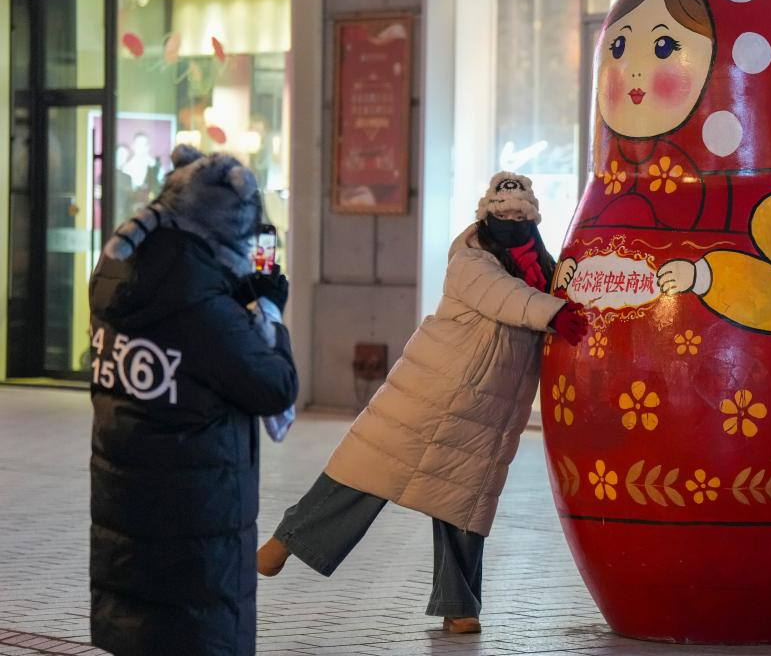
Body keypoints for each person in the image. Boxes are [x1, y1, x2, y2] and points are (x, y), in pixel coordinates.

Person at [256, 171, 588, 633]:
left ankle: (460, 604)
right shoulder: (470, 258)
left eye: (521, 216)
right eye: (505, 215)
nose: (513, 222)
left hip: (488, 408)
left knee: (465, 501)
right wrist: (553, 313)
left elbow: (544, 294)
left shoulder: (540, 263)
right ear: (487, 214)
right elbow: (504, 296)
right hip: (438, 386)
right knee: (366, 468)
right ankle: (284, 542)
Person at [89, 144, 298, 656]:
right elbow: (274, 386)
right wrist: (268, 309)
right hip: (196, 537)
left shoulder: (121, 282)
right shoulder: (202, 308)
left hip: (128, 526)